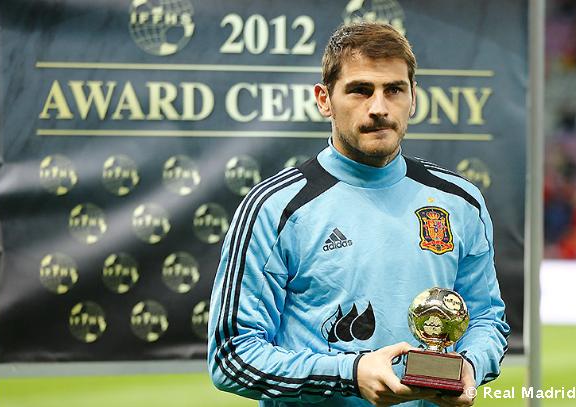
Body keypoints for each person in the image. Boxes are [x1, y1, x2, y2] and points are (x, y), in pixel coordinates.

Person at [208, 22, 509, 407]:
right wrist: (348, 375)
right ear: (324, 99)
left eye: (394, 90)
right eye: (360, 90)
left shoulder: (460, 200)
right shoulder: (274, 207)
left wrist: (469, 367)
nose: (379, 107)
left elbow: (486, 320)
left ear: (412, 97)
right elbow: (232, 356)